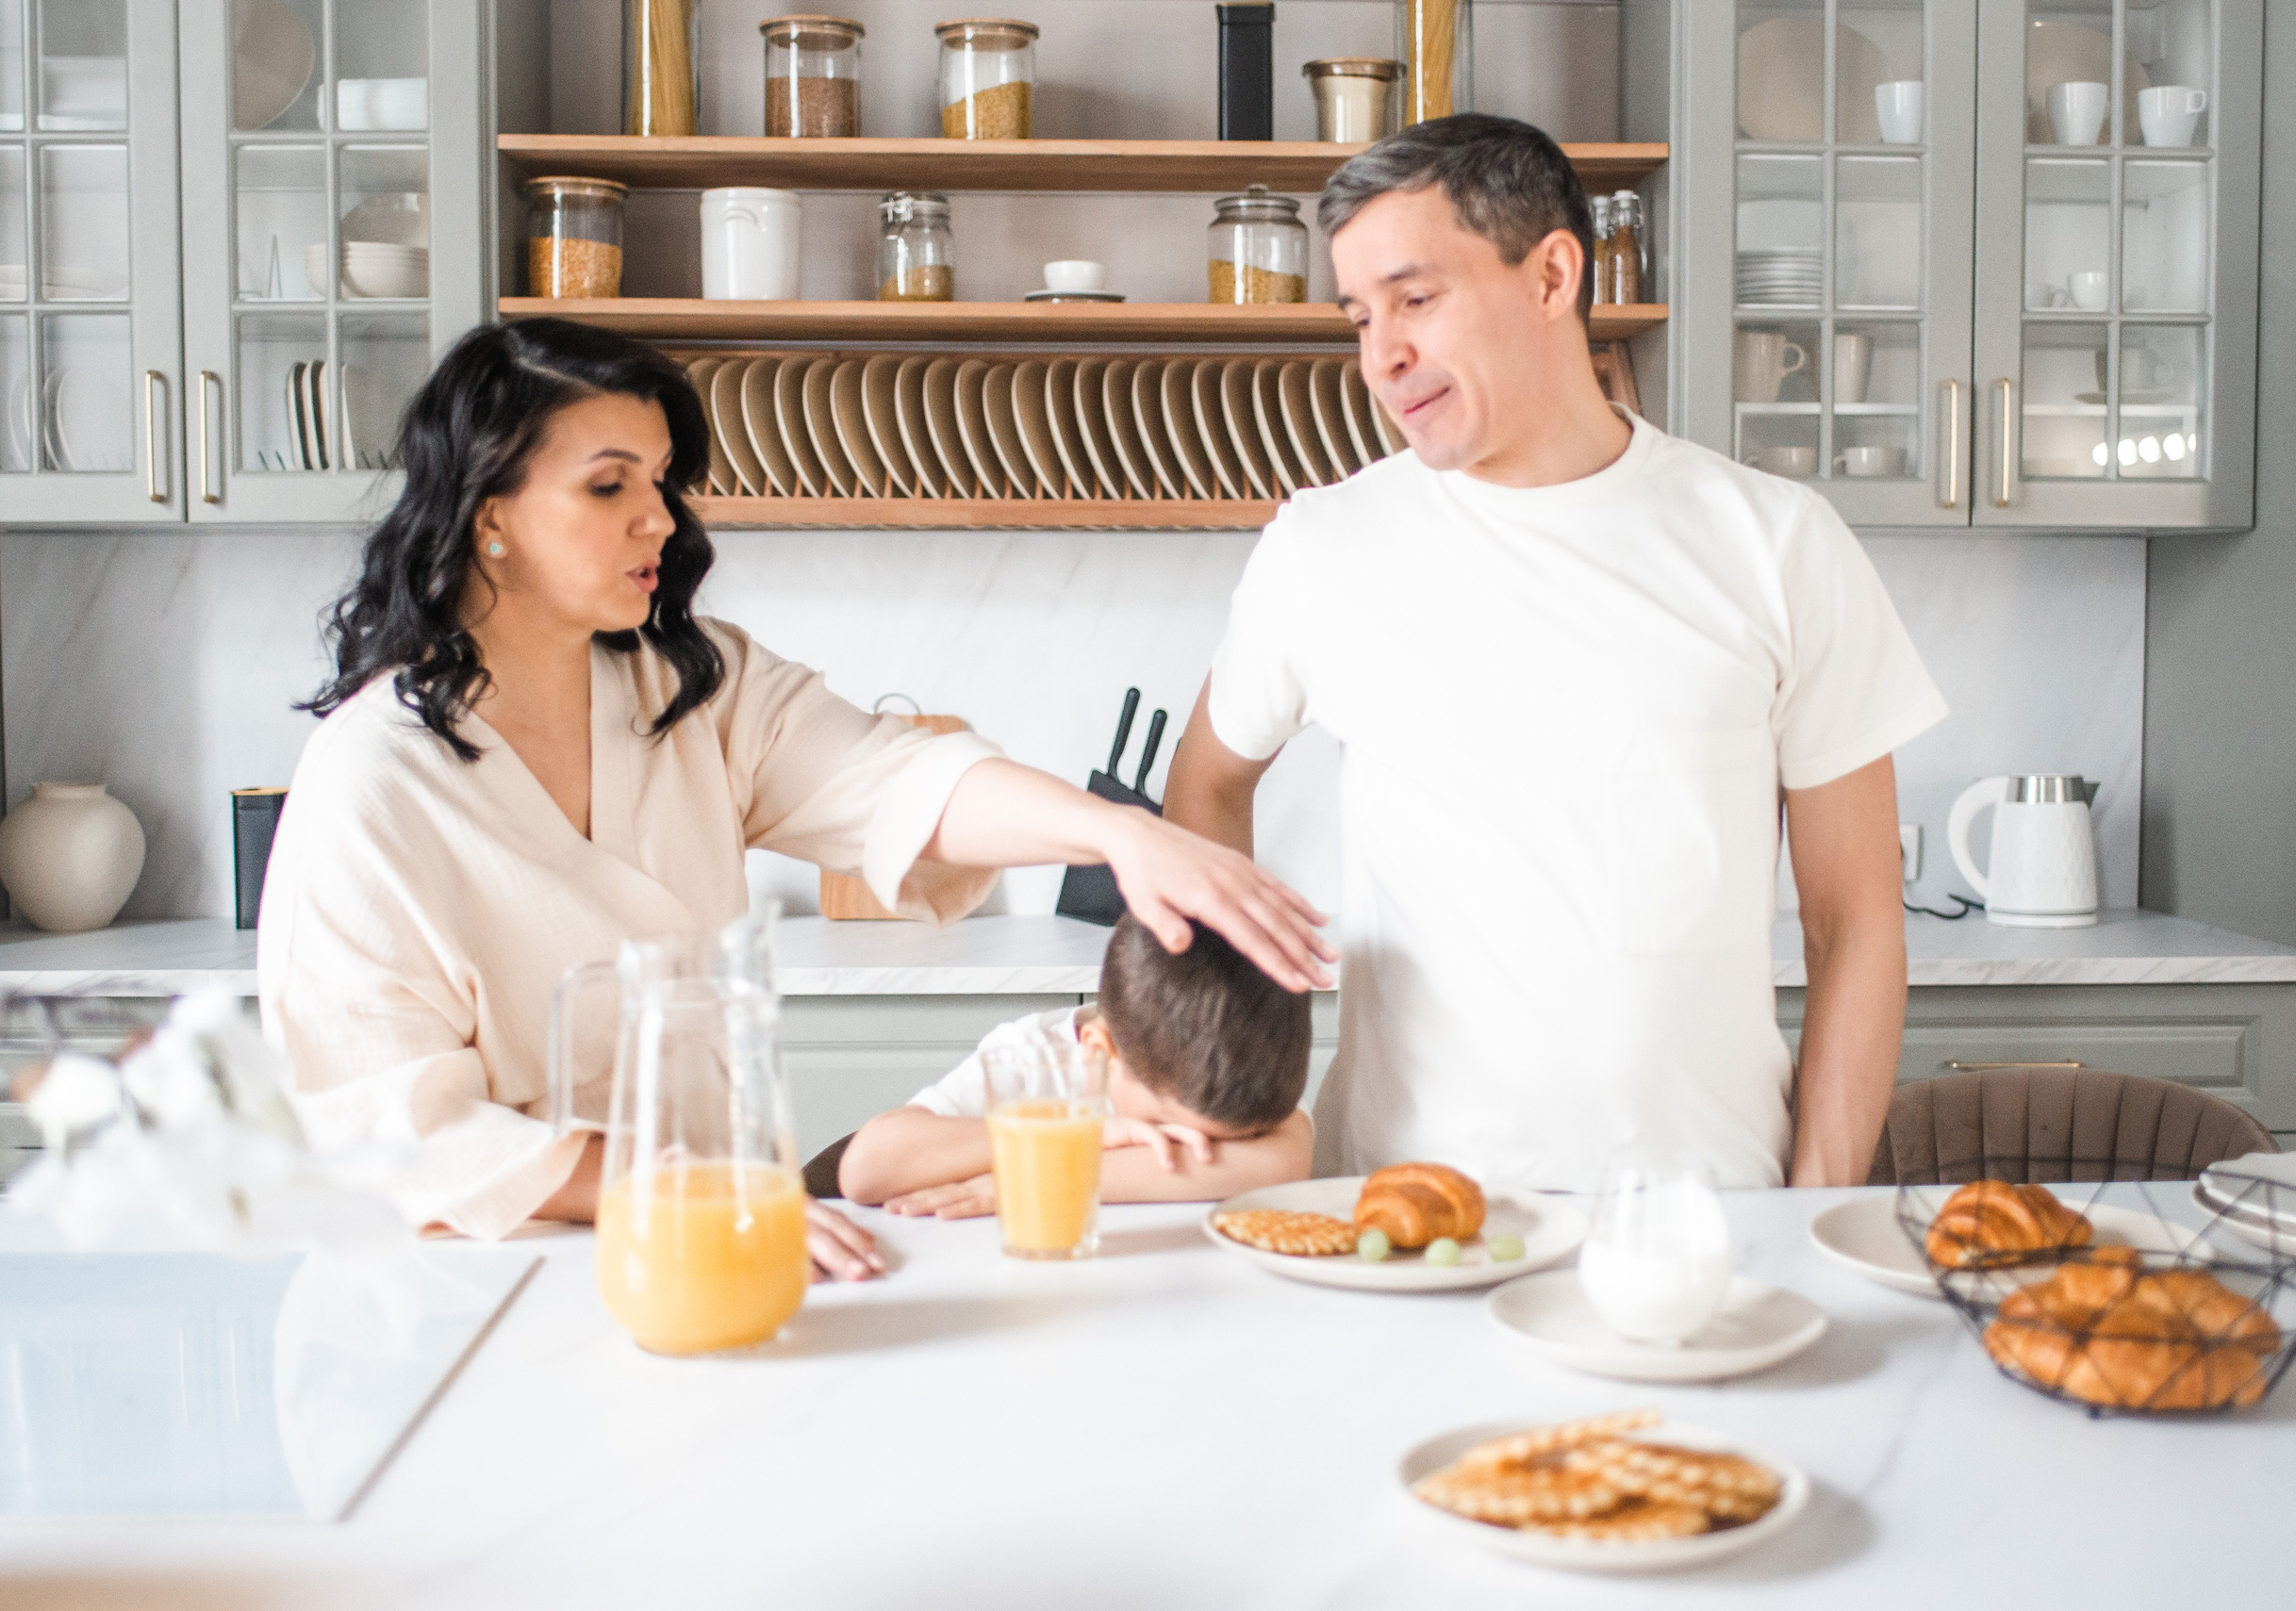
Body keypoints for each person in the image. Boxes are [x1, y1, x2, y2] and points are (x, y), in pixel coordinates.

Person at [258, 319, 1331, 1276]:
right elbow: (384, 1127)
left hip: (729, 1239)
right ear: (489, 513)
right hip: (500, 1273)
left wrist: (1118, 833)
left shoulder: (689, 689)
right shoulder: (374, 783)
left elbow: (894, 778)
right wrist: (681, 1187)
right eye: (609, 486)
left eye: (661, 482)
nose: (659, 520)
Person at [1161, 115, 1947, 1192]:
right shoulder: (1323, 547)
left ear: (1551, 276)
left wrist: (1812, 1210)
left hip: (1705, 1214)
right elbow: (1207, 781)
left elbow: (1854, 922)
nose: (1380, 357)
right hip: (1405, 1214)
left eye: (1414, 299)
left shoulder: (1775, 542)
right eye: (1360, 317)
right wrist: (1233, 1072)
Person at [838, 914, 1314, 1216]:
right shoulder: (1031, 1058)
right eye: (1171, 1131)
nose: (1184, 1146)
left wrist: (1035, 1178)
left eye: (1220, 1143)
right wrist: (1076, 1134)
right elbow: (866, 1169)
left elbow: (1283, 1163)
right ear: (1100, 1052)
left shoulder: (1250, 1058)